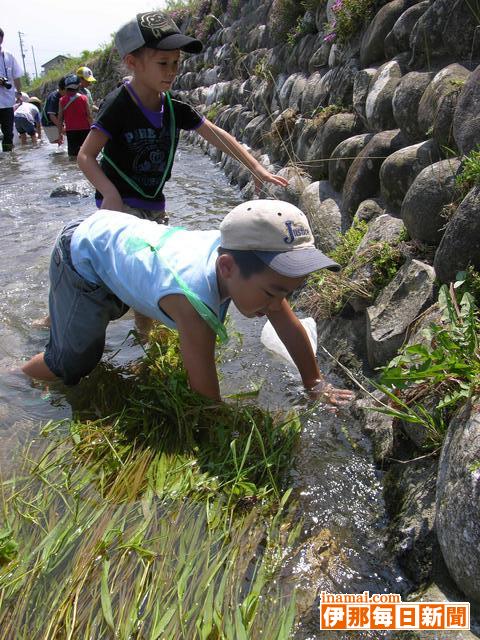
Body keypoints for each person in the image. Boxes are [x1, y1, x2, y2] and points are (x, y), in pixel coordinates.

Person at [22, 199, 354, 406]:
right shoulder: (195, 304)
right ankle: (13, 377)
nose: (278, 305)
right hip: (83, 253)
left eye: (287, 293)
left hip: (124, 238)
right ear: (226, 267)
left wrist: (315, 384)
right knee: (73, 363)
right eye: (272, 294)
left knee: (144, 287)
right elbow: (205, 400)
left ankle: (61, 316)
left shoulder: (248, 265)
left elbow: (289, 326)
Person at [77, 11, 288, 223]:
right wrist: (109, 193)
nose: (172, 71)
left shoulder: (174, 105)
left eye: (176, 62)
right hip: (120, 207)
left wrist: (255, 167)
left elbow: (215, 134)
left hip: (155, 205)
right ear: (132, 62)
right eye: (163, 63)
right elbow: (85, 156)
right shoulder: (118, 105)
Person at [58, 73, 92, 159]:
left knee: (73, 156)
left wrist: (60, 134)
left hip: (71, 131)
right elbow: (89, 115)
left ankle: (73, 171)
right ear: (78, 85)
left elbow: (60, 119)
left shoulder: (62, 100)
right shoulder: (84, 98)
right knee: (87, 154)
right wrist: (93, 128)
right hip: (85, 130)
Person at [0, 28, 23, 152]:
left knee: (8, 133)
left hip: (7, 102)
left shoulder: (9, 56)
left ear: (2, 39)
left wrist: (19, 93)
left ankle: (8, 158)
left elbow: (17, 76)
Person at [41, 77, 66, 144]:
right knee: (57, 142)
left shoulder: (62, 96)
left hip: (56, 121)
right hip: (49, 123)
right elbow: (52, 116)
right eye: (68, 90)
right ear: (62, 89)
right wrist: (61, 128)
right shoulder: (54, 97)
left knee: (62, 141)